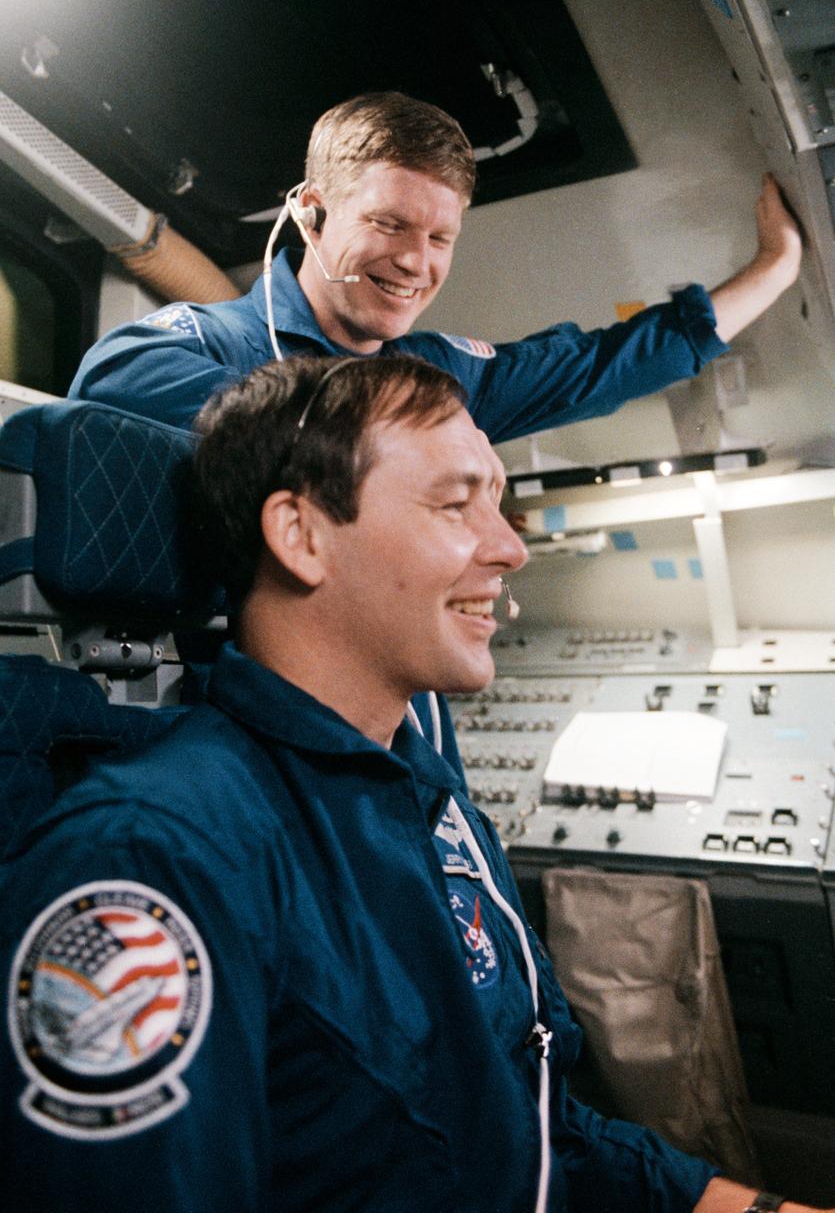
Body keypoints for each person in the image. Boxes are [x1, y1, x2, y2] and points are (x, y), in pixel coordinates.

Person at [2, 355, 830, 1213]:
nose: (509, 547)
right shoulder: (152, 857)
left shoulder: (426, 798)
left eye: (496, 502)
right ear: (302, 535)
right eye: (453, 503)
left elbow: (530, 1132)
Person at [68, 91, 803, 440]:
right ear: (309, 212)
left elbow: (600, 366)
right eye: (388, 224)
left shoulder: (435, 378)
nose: (416, 263)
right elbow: (111, 383)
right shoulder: (201, 343)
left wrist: (775, 268)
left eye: (440, 238)